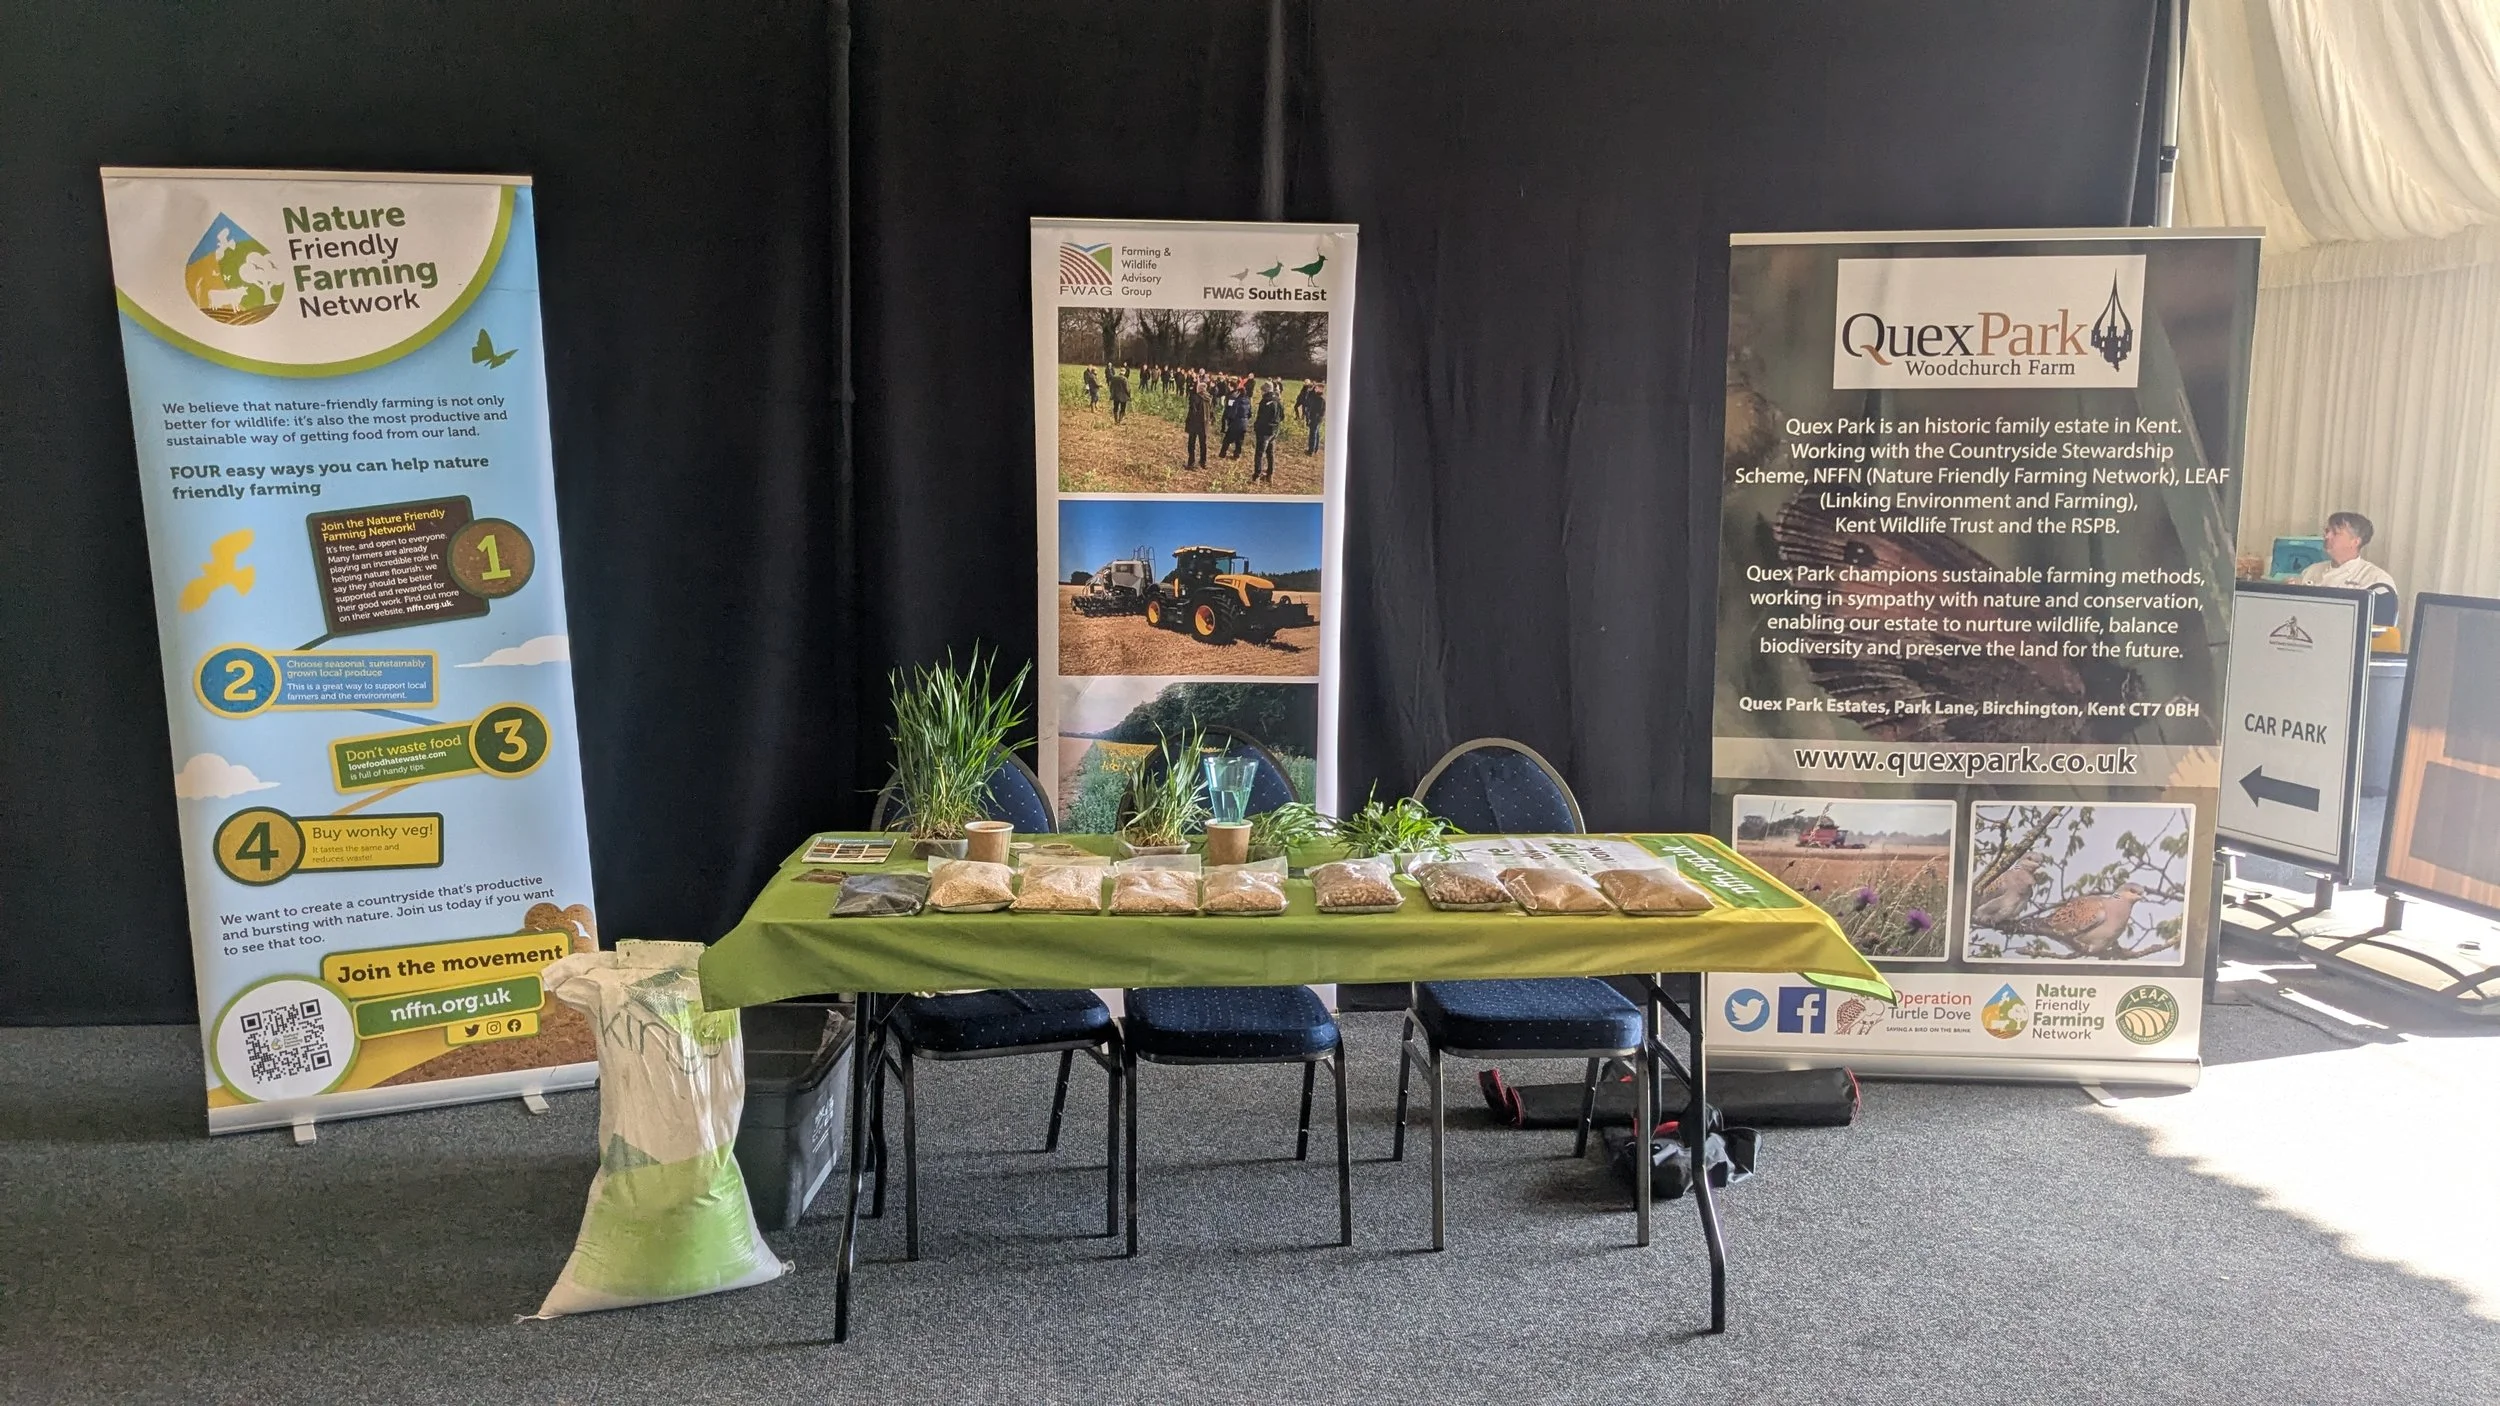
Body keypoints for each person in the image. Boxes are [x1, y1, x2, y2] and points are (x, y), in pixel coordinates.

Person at [2294, 511, 2396, 593]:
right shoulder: (2311, 571)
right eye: (2326, 531)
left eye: (2335, 533)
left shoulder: (2375, 579)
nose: (2327, 536)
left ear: (2355, 541)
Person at [1252, 386, 1282, 481]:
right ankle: (1270, 475)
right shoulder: (1278, 400)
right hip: (1274, 431)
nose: (1261, 393)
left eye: (1261, 391)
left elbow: (1261, 417)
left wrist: (1257, 427)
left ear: (1264, 391)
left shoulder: (1265, 401)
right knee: (1270, 453)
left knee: (1259, 454)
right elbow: (1282, 416)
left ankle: (1257, 476)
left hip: (1264, 431)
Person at [1183, 378, 1209, 468]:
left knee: (1191, 444)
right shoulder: (1208, 397)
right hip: (1204, 424)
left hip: (1195, 424)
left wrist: (1188, 423)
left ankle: (1191, 462)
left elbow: (1192, 412)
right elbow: (1211, 412)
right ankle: (1203, 462)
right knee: (1203, 444)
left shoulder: (1195, 398)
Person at [1221, 386, 1251, 459]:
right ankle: (1237, 455)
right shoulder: (1248, 400)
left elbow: (1231, 413)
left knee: (1227, 439)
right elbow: (1250, 413)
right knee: (1239, 440)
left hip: (1235, 422)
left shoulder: (1235, 401)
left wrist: (1228, 421)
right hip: (1244, 423)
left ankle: (1222, 453)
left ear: (1239, 393)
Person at [1303, 380, 1325, 453]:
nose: (1315, 389)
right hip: (1317, 418)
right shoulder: (1318, 397)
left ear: (1320, 389)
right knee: (1316, 433)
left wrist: (1312, 418)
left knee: (1313, 434)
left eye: (1317, 388)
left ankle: (1311, 450)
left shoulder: (1320, 399)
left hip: (1315, 418)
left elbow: (1318, 410)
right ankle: (1315, 449)